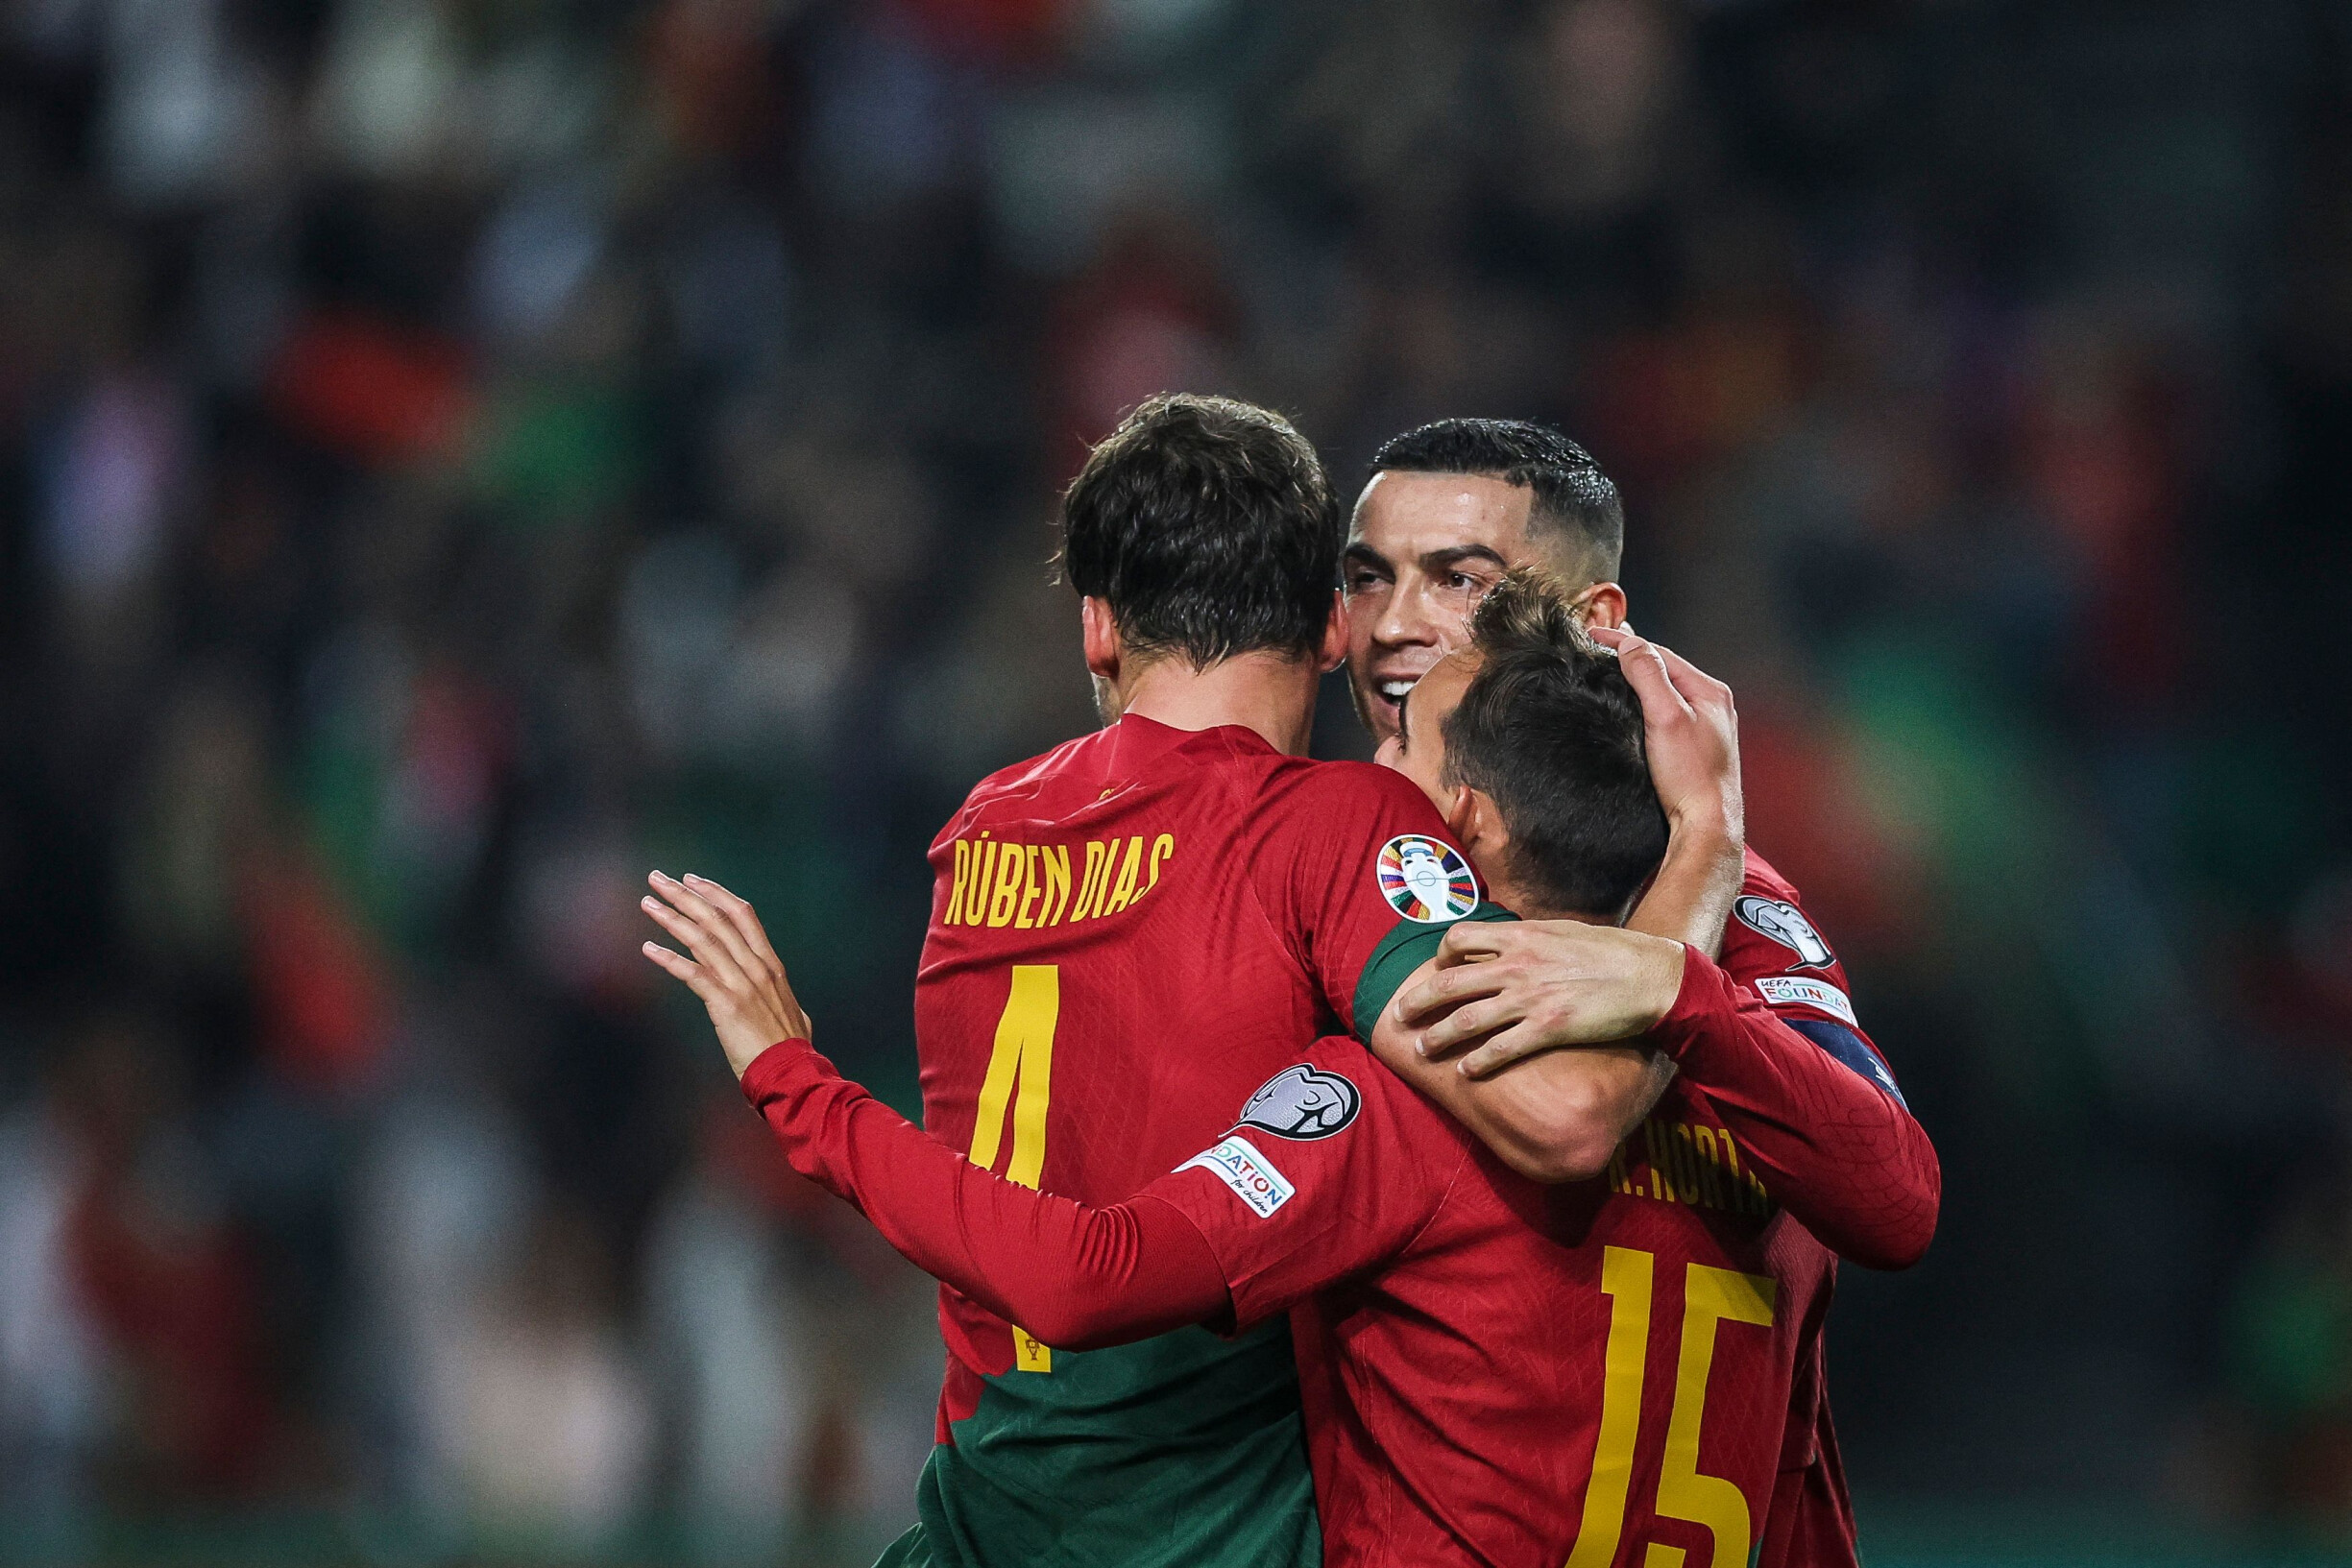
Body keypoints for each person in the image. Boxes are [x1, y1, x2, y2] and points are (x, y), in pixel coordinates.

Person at [644, 395, 1748, 1568]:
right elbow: (1563, 1108)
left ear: (1098, 629)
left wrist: (789, 1068)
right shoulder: (1337, 825)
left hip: (976, 1523)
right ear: (1330, 629)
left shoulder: (979, 832)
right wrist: (1703, 848)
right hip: (1196, 1539)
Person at [1339, 419, 1917, 1563]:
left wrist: (1681, 957)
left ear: (1594, 623)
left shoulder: (1743, 903)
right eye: (1368, 578)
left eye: (1458, 579)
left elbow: (1893, 1196)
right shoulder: (1322, 868)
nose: (1393, 624)